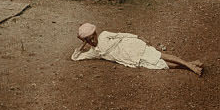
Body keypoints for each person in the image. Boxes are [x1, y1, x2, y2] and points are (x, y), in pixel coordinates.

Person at [72, 23, 203, 76]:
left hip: (132, 47)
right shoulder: (94, 52)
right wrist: (83, 44)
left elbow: (122, 35)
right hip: (130, 59)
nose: (92, 41)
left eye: (92, 37)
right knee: (160, 65)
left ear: (95, 34)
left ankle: (191, 67)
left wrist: (138, 37)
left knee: (160, 56)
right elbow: (75, 57)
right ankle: (190, 64)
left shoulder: (104, 35)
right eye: (88, 40)